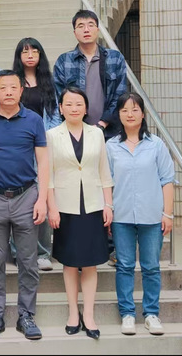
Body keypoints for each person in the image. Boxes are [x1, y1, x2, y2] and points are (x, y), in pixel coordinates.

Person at [0, 70, 48, 341]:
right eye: (2, 87)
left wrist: (42, 198)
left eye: (13, 87)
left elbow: (43, 161)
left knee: (28, 261)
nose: (8, 92)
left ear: (21, 90)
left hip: (26, 196)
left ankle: (26, 315)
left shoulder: (34, 120)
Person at [47, 86, 114, 339]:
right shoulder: (52, 135)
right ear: (61, 108)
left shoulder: (97, 133)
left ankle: (89, 315)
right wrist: (52, 207)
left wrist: (108, 205)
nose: (74, 108)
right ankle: (73, 313)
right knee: (70, 261)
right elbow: (48, 176)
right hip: (65, 206)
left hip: (93, 204)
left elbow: (104, 171)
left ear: (86, 108)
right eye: (69, 104)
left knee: (90, 262)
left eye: (79, 104)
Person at [106, 92, 175, 337]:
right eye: (125, 110)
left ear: (143, 114)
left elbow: (167, 180)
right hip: (122, 216)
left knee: (151, 267)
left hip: (152, 215)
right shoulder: (111, 146)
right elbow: (106, 182)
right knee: (124, 266)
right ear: (119, 115)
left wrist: (168, 214)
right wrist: (108, 209)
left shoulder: (156, 145)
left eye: (134, 109)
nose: (130, 114)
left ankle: (151, 314)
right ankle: (127, 313)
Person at [10, 37, 60, 272]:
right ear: (19, 56)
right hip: (17, 148)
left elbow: (55, 116)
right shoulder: (12, 82)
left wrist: (49, 142)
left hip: (42, 147)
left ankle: (42, 252)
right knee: (16, 201)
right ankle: (18, 252)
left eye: (34, 51)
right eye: (25, 51)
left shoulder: (50, 83)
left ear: (41, 55)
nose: (30, 55)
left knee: (43, 197)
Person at [53, 9, 128, 139]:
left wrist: (102, 123)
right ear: (75, 33)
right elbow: (60, 97)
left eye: (90, 25)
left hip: (110, 131)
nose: (86, 30)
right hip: (74, 132)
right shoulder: (64, 61)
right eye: (81, 26)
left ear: (97, 30)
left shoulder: (115, 58)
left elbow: (120, 95)